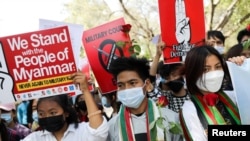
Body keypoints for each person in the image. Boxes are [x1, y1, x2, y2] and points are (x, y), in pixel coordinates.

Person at [107, 57, 183, 141]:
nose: (126, 89)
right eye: (121, 85)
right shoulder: (112, 126)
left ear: (146, 84)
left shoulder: (170, 118)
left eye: (132, 83)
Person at [21, 71, 109, 141]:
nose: (47, 117)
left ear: (66, 112)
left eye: (53, 112)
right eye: (41, 114)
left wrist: (85, 90)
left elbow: (99, 132)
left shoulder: (82, 131)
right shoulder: (34, 138)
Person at [179, 45, 243, 141]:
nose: (214, 74)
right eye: (205, 69)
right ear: (193, 73)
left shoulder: (233, 96)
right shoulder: (190, 108)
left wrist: (243, 68)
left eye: (218, 67)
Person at [149, 41, 190, 113]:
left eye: (174, 74)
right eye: (167, 77)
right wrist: (157, 55)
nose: (172, 79)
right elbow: (151, 81)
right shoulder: (165, 99)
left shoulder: (193, 95)